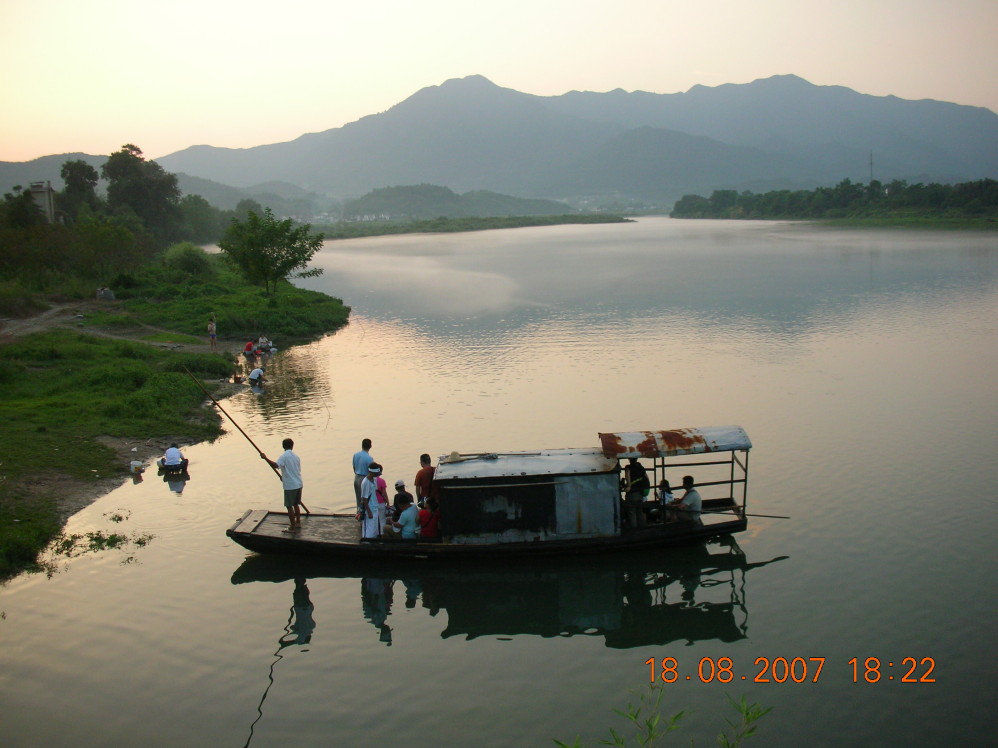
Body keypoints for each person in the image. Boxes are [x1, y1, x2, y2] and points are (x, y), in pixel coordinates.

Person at [261, 438, 304, 530]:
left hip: (290, 486)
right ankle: (298, 523)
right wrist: (283, 477)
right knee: (296, 504)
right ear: (292, 446)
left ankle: (292, 526)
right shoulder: (296, 457)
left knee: (289, 506)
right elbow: (293, 470)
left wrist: (265, 458)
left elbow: (276, 465)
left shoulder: (284, 456)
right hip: (298, 483)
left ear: (283, 446)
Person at [623, 457, 649, 528]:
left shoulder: (628, 468)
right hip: (640, 493)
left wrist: (628, 486)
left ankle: (634, 529)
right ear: (637, 459)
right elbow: (647, 478)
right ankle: (642, 528)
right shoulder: (641, 468)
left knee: (632, 512)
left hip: (632, 494)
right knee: (640, 511)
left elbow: (628, 480)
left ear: (629, 459)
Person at [359, 462, 384, 539]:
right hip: (370, 509)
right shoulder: (365, 483)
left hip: (375, 507)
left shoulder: (374, 480)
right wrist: (369, 512)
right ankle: (366, 542)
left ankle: (373, 541)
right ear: (372, 472)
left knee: (374, 529)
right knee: (369, 530)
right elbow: (364, 498)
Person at [352, 438, 374, 511]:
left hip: (356, 478)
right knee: (365, 499)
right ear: (370, 446)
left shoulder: (355, 455)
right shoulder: (369, 458)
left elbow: (354, 467)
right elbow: (371, 472)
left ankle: (358, 515)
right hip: (364, 479)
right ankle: (364, 517)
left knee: (358, 500)